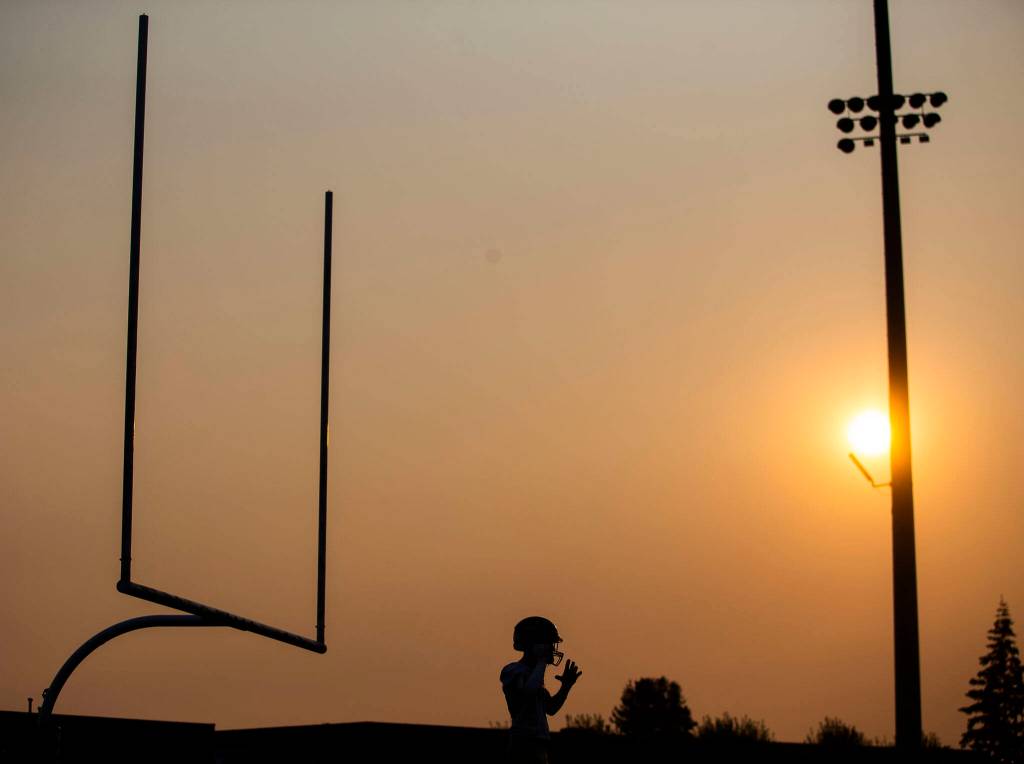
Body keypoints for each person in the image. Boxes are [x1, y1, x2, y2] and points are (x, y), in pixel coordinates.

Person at [500, 616, 583, 763]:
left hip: (539, 745)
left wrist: (566, 687)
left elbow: (550, 708)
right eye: (549, 644)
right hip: (524, 744)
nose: (552, 648)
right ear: (534, 645)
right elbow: (528, 692)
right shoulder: (514, 671)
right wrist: (542, 661)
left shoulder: (535, 675)